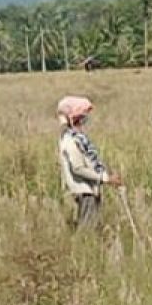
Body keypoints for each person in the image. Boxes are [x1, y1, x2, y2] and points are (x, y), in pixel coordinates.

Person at [57, 96, 122, 229]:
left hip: (90, 190)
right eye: (81, 119)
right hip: (84, 192)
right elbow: (78, 168)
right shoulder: (70, 140)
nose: (83, 123)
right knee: (87, 233)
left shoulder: (77, 138)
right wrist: (105, 178)